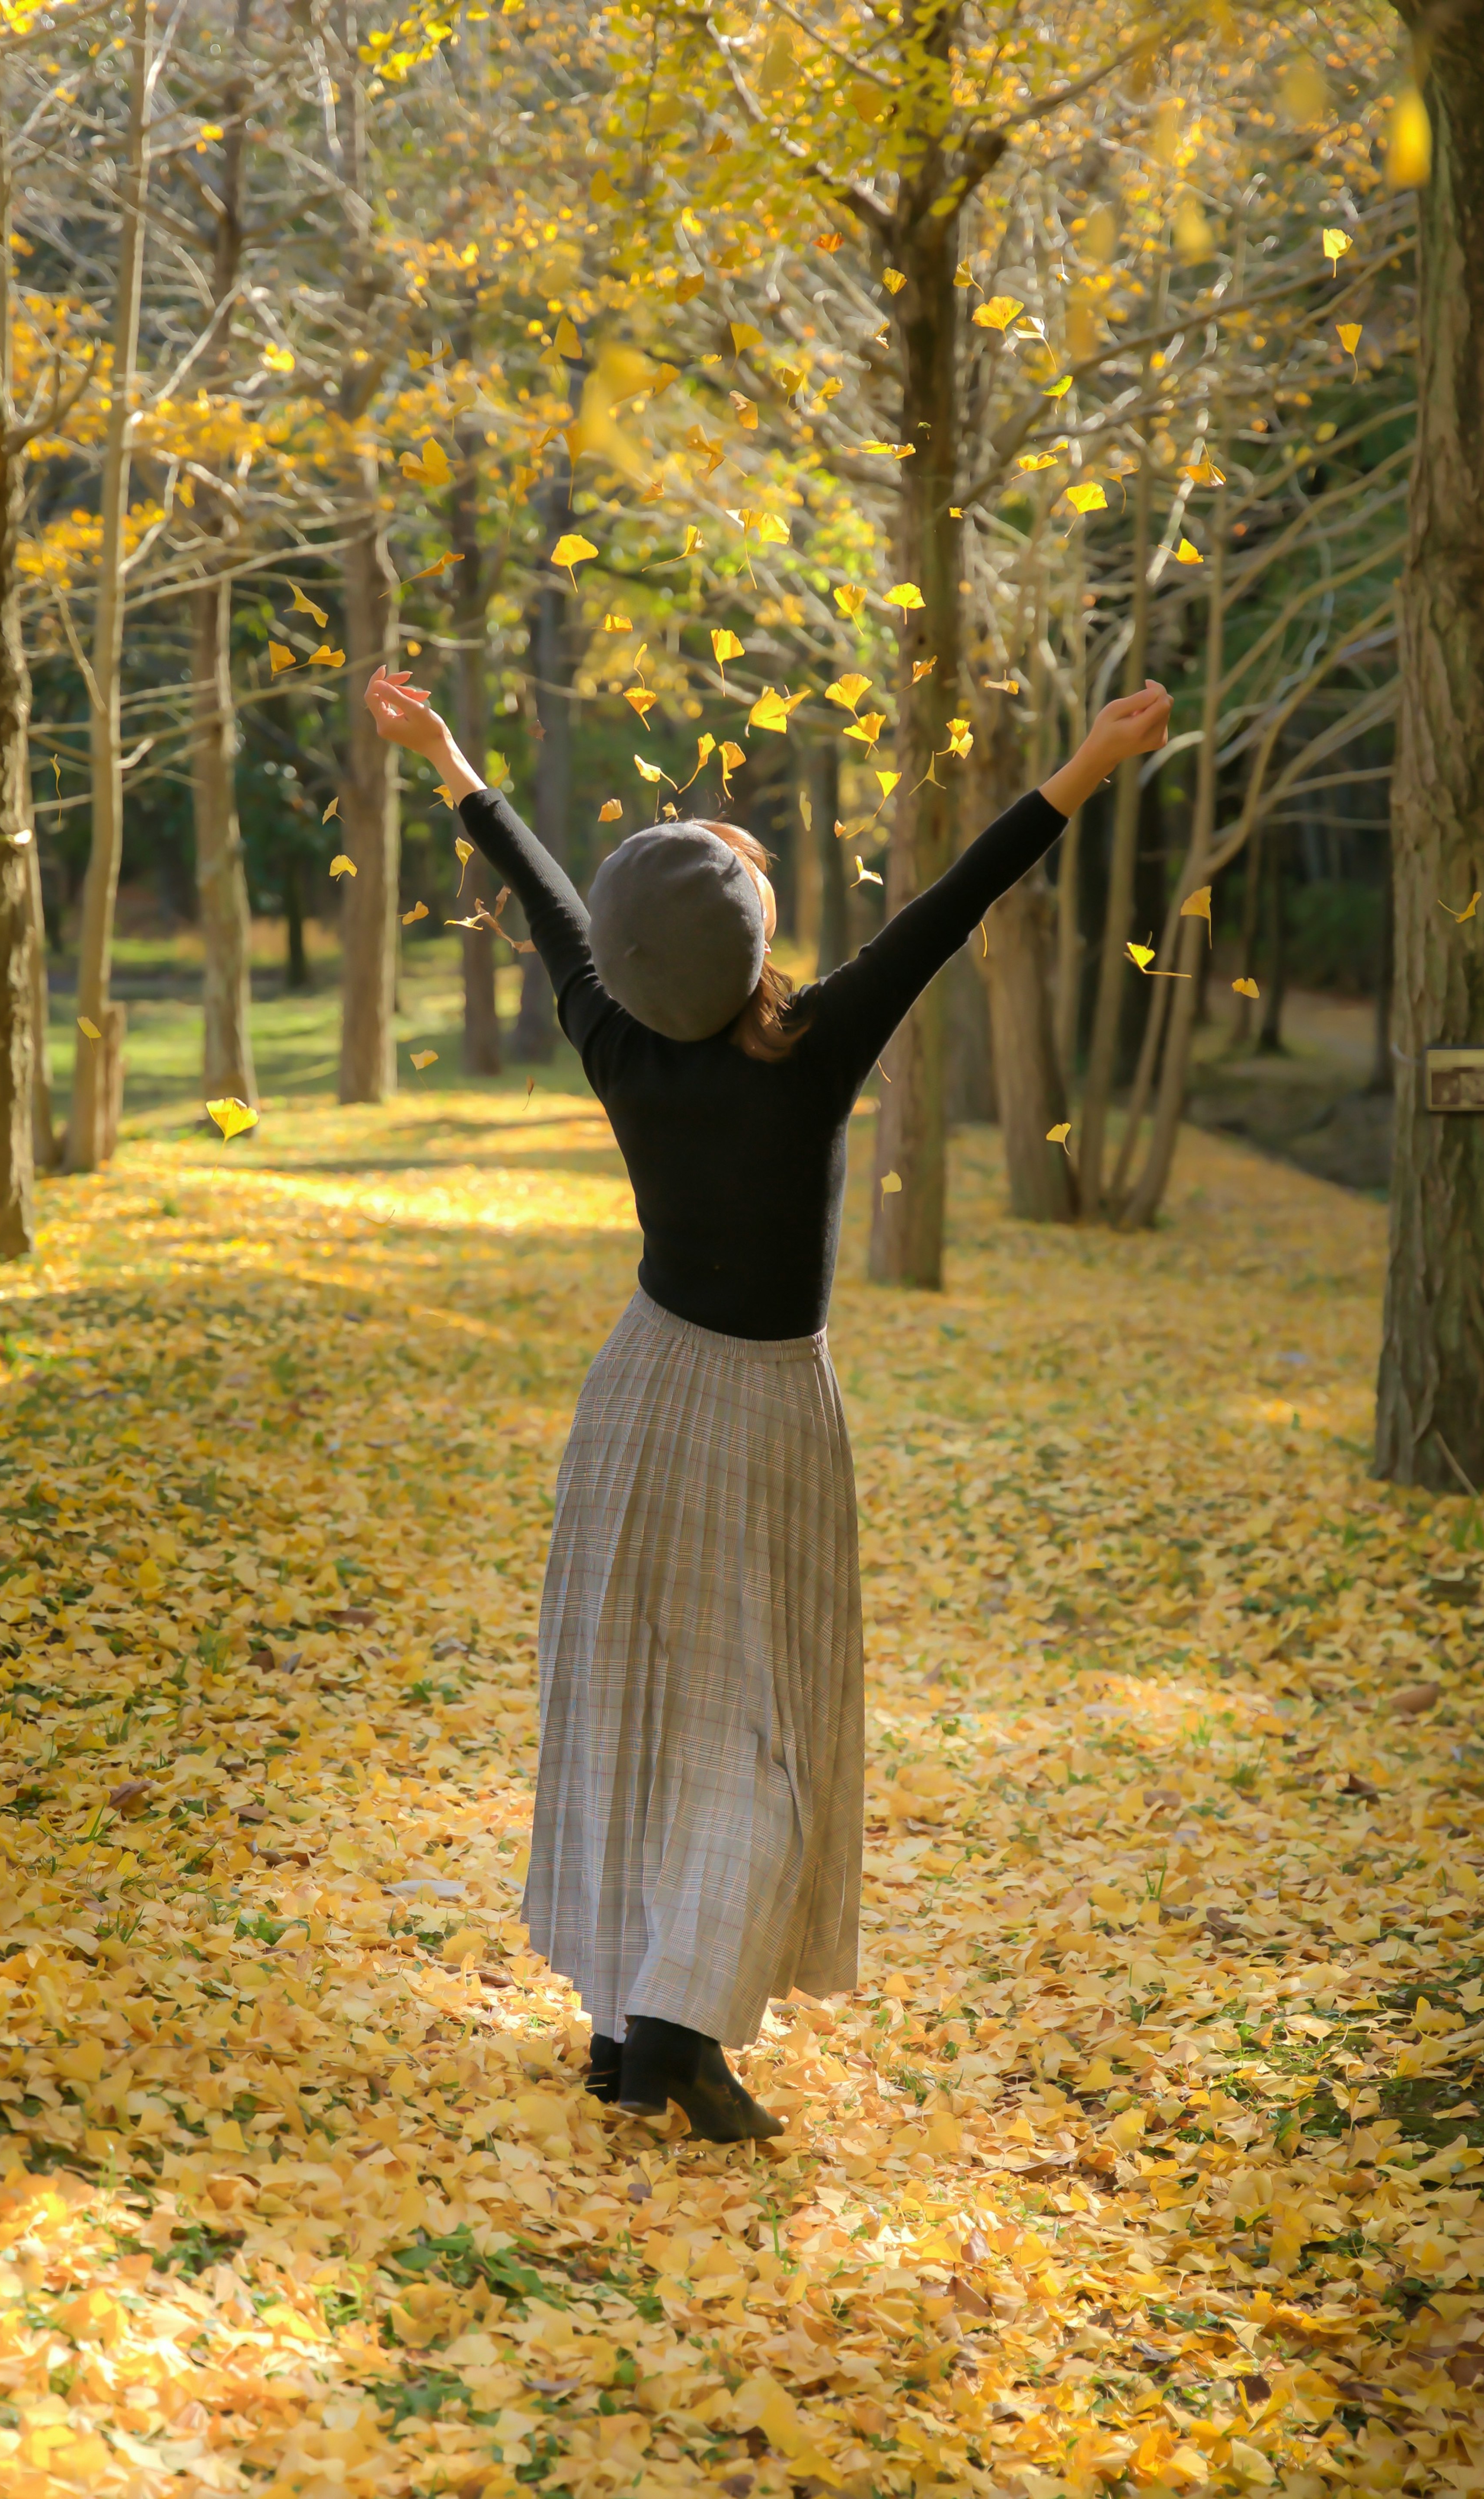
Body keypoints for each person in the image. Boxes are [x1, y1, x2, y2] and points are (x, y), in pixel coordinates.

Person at [366, 662, 1172, 2138]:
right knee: (762, 1734)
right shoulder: (814, 1049)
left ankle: (637, 2033)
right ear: (747, 950)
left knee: (640, 1708)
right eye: (738, 871)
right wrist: (1086, 762)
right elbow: (954, 905)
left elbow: (536, 878)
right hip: (766, 1414)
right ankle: (667, 2024)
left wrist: (443, 749)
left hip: (638, 1397)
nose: (744, 855)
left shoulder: (609, 1032)